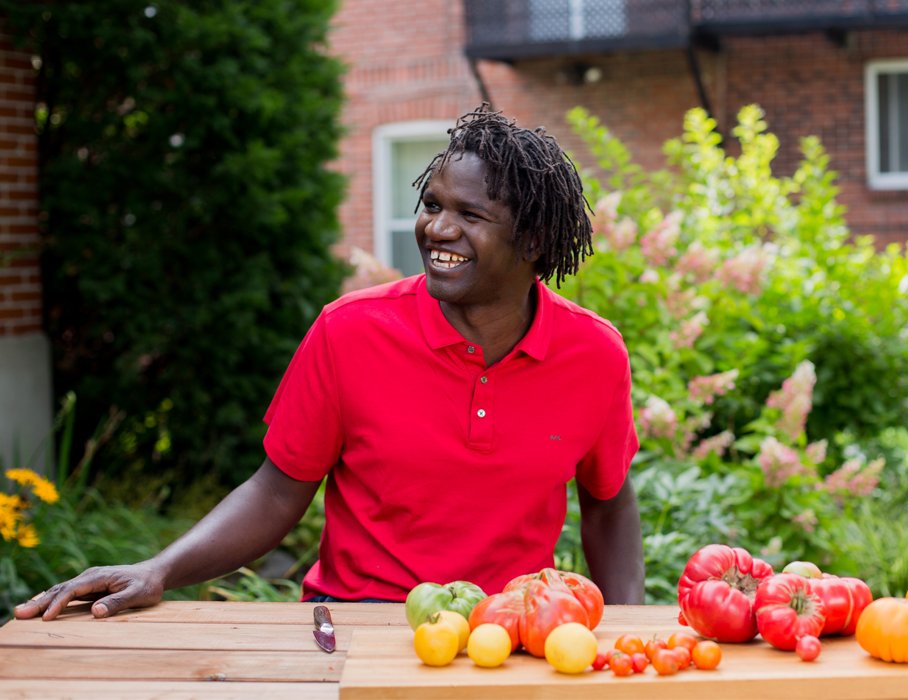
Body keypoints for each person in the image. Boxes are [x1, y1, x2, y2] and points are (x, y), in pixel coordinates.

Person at [15, 105, 644, 620]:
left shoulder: (593, 353)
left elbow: (609, 501)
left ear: (533, 240)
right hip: (355, 619)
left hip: (511, 632)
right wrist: (159, 569)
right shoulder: (350, 331)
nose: (436, 229)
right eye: (432, 205)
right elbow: (275, 491)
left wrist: (628, 627)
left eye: (469, 214)